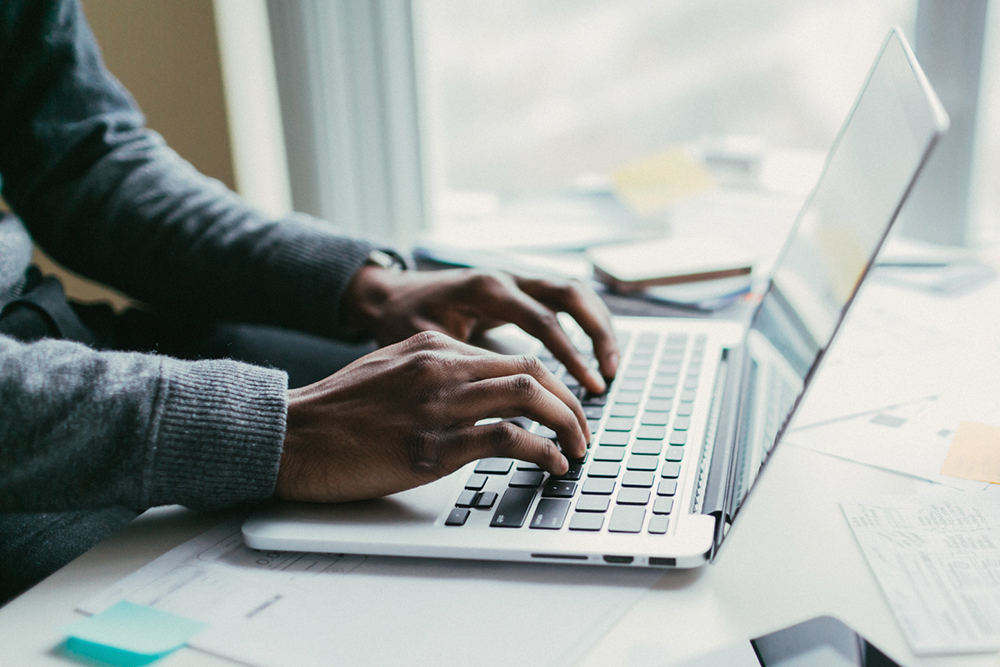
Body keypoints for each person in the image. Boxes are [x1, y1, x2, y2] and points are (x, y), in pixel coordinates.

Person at [0, 0, 619, 603]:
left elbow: (80, 157)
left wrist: (367, 288)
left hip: (52, 335)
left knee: (450, 379)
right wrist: (272, 432)